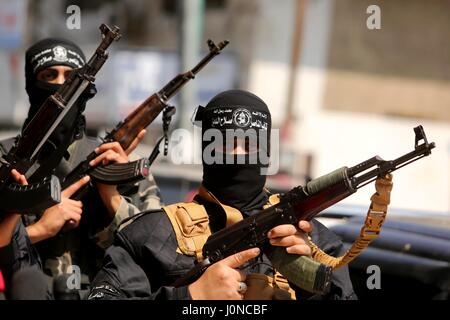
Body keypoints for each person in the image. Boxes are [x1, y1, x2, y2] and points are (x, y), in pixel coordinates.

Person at [88, 90, 357, 300]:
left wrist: (313, 284)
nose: (239, 155)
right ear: (207, 149)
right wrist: (190, 296)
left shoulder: (316, 242)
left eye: (251, 144)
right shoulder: (153, 235)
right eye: (226, 143)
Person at [0, 38, 162, 299]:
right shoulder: (5, 159)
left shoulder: (112, 159)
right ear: (32, 84)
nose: (61, 84)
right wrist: (42, 229)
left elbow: (156, 252)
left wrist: (112, 195)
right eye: (49, 75)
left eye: (71, 77)